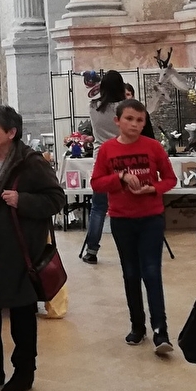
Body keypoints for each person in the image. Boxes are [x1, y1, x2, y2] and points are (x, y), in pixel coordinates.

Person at [0, 105, 66, 391]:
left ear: (11, 133)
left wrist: (23, 200)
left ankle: (24, 373)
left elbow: (56, 199)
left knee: (21, 314)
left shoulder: (30, 163)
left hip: (16, 252)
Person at [91, 99, 178, 353]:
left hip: (151, 217)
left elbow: (170, 179)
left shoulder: (153, 147)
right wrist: (120, 177)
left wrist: (155, 188)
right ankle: (137, 326)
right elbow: (97, 183)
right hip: (121, 219)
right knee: (130, 273)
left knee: (152, 272)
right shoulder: (107, 150)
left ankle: (161, 331)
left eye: (140, 120)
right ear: (117, 121)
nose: (135, 124)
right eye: (129, 119)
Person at [81, 71, 127, 265]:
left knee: (98, 207)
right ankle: (128, 248)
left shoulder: (94, 107)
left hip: (101, 158)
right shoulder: (125, 109)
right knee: (126, 205)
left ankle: (91, 250)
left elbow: (93, 95)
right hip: (124, 158)